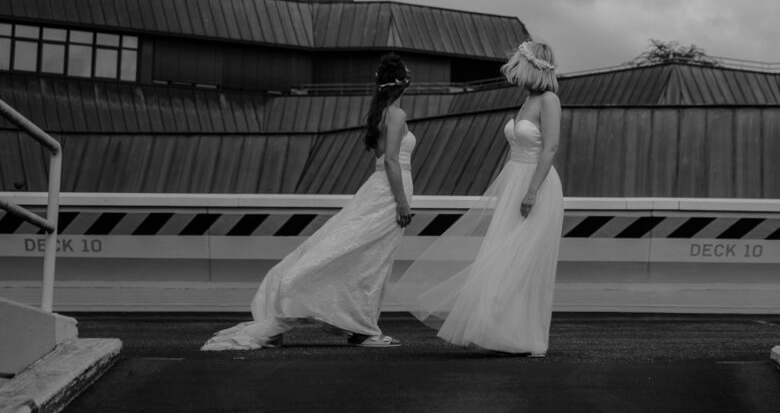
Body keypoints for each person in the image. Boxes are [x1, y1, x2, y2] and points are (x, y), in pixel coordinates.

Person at [201, 53, 416, 350]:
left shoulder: (377, 114)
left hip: (376, 188)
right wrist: (402, 203)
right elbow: (392, 161)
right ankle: (364, 329)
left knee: (358, 254)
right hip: (390, 193)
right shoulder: (397, 114)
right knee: (372, 260)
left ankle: (360, 326)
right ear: (402, 83)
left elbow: (381, 162)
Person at [395, 40, 564, 357]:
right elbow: (515, 148)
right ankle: (500, 331)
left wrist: (531, 191)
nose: (513, 72)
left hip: (536, 185)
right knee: (501, 257)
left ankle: (522, 336)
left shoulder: (549, 100)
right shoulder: (527, 100)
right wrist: (508, 186)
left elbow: (550, 148)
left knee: (520, 259)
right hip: (514, 179)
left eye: (518, 66)